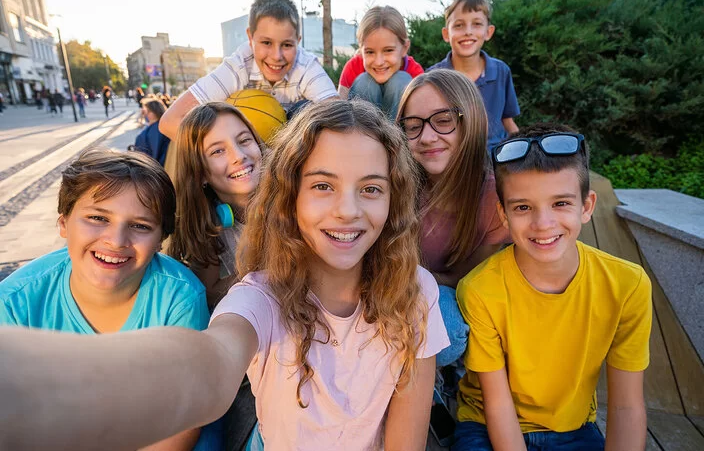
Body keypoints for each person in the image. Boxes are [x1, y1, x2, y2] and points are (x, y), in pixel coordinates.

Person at [0, 100, 449, 451]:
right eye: (322, 185)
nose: (348, 210)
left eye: (371, 188)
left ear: (394, 202)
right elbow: (210, 366)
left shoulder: (415, 290)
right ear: (288, 196)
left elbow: (405, 436)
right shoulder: (259, 298)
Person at [453, 123, 652, 451]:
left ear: (586, 207)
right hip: (488, 424)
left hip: (572, 428)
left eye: (560, 203)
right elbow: (498, 404)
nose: (542, 224)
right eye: (522, 207)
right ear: (503, 214)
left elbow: (626, 406)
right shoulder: (479, 289)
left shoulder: (627, 287)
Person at [0, 148, 212, 451]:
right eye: (98, 218)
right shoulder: (14, 304)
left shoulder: (179, 297)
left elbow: (182, 423)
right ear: (63, 223)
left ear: (160, 240)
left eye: (140, 226)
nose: (116, 241)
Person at [397, 69, 510, 367]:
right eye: (413, 126)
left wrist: (416, 279)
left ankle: (437, 382)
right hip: (389, 288)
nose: (427, 137)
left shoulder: (492, 198)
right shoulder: (396, 184)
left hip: (443, 295)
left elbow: (466, 281)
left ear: (469, 120)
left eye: (443, 121)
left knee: (445, 324)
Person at [159, 0, 338, 140]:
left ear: (298, 42)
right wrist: (226, 150)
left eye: (287, 45)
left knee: (306, 110)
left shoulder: (305, 64)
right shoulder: (238, 66)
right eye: (266, 43)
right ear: (250, 38)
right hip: (241, 162)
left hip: (289, 155)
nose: (277, 56)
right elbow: (170, 121)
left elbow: (340, 118)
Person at [167, 102, 265, 309]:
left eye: (244, 140)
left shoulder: (293, 199)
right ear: (199, 172)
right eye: (218, 151)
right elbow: (210, 293)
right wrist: (262, 268)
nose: (239, 156)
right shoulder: (207, 222)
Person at [427, 0, 520, 151]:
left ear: (488, 32)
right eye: (459, 25)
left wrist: (523, 146)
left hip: (497, 156)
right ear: (446, 34)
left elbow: (507, 121)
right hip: (455, 156)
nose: (468, 32)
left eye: (476, 24)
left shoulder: (501, 71)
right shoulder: (433, 77)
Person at [337, 6, 423, 118]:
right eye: (370, 52)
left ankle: (394, 135)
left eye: (388, 50)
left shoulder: (414, 72)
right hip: (362, 130)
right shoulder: (353, 67)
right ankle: (367, 133)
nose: (379, 62)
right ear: (361, 49)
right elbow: (339, 107)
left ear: (405, 48)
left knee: (401, 81)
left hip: (401, 131)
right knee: (365, 82)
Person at [133, 97, 170, 166]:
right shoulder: (160, 127)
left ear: (155, 112)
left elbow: (155, 154)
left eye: (147, 111)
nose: (145, 114)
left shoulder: (157, 130)